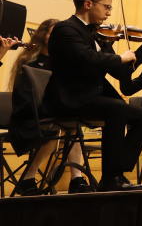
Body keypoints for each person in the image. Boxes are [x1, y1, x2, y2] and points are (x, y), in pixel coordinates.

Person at [42, 0, 142, 191]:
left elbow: (121, 72)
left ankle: (118, 169)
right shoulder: (65, 29)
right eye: (106, 7)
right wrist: (119, 57)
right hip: (70, 98)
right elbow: (87, 58)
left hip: (91, 97)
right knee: (118, 108)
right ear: (88, 4)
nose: (108, 13)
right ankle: (110, 179)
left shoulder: (98, 35)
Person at [8, 19, 89, 195]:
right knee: (56, 127)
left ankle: (77, 179)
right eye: (53, 33)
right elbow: (24, 99)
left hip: (51, 115)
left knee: (72, 123)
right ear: (43, 35)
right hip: (28, 117)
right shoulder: (29, 62)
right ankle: (28, 177)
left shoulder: (62, 61)